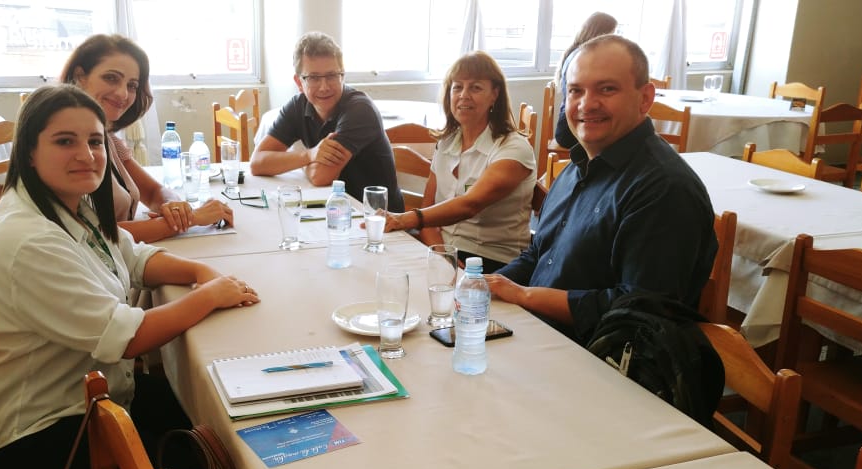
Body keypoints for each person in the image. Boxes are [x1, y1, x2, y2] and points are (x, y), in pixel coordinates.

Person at [0, 84, 259, 469]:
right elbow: (127, 338)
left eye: (95, 141)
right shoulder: (29, 240)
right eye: (65, 141)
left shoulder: (68, 203)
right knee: (219, 464)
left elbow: (133, 256)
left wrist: (201, 271)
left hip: (87, 394)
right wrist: (209, 295)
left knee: (217, 413)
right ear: (29, 151)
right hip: (33, 432)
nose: (86, 155)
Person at [486, 35, 717, 344]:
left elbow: (640, 311)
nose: (586, 104)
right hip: (535, 334)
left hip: (600, 362)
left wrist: (525, 296)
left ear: (645, 98)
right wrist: (486, 284)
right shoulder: (575, 168)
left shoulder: (664, 189)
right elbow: (539, 254)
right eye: (575, 90)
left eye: (607, 89)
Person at [62, 34, 233, 243]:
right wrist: (191, 219)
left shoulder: (108, 139)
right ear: (80, 76)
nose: (123, 94)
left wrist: (175, 207)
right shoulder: (66, 147)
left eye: (132, 85)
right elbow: (93, 238)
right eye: (111, 78)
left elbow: (153, 192)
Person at [377, 51, 536, 272]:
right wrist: (440, 250)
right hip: (445, 249)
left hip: (492, 260)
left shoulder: (513, 148)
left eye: (476, 87)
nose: (464, 95)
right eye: (457, 87)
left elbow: (470, 205)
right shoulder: (447, 142)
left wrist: (404, 219)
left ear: (495, 94)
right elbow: (428, 209)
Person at [249, 31, 404, 212]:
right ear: (299, 82)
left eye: (331, 75)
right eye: (313, 78)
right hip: (334, 209)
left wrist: (295, 162)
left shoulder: (360, 110)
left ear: (342, 76)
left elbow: (320, 176)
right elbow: (257, 163)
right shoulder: (298, 106)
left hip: (377, 220)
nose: (324, 87)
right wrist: (308, 156)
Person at [554, 12, 618, 151]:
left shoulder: (575, 52)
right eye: (612, 34)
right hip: (573, 132)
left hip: (566, 127)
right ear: (601, 34)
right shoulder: (586, 59)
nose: (613, 40)